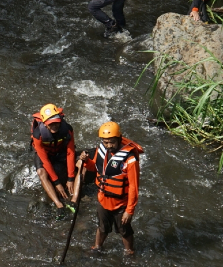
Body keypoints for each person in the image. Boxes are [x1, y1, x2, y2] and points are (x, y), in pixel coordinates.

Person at [78, 121, 142, 256]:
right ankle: (97, 247)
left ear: (119, 138)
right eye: (105, 142)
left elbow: (134, 187)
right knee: (102, 227)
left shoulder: (130, 159)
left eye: (112, 142)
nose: (108, 146)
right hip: (103, 199)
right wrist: (86, 161)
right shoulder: (102, 151)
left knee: (124, 230)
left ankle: (129, 252)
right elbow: (94, 168)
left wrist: (129, 211)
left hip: (121, 204)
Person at [30, 104, 77, 211]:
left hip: (61, 151)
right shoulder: (38, 134)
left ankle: (75, 198)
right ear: (45, 124)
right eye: (51, 124)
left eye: (56, 122)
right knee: (41, 172)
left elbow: (70, 153)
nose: (54, 126)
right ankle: (58, 204)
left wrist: (70, 178)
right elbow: (45, 160)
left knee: (80, 163)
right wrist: (57, 183)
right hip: (46, 154)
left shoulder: (67, 129)